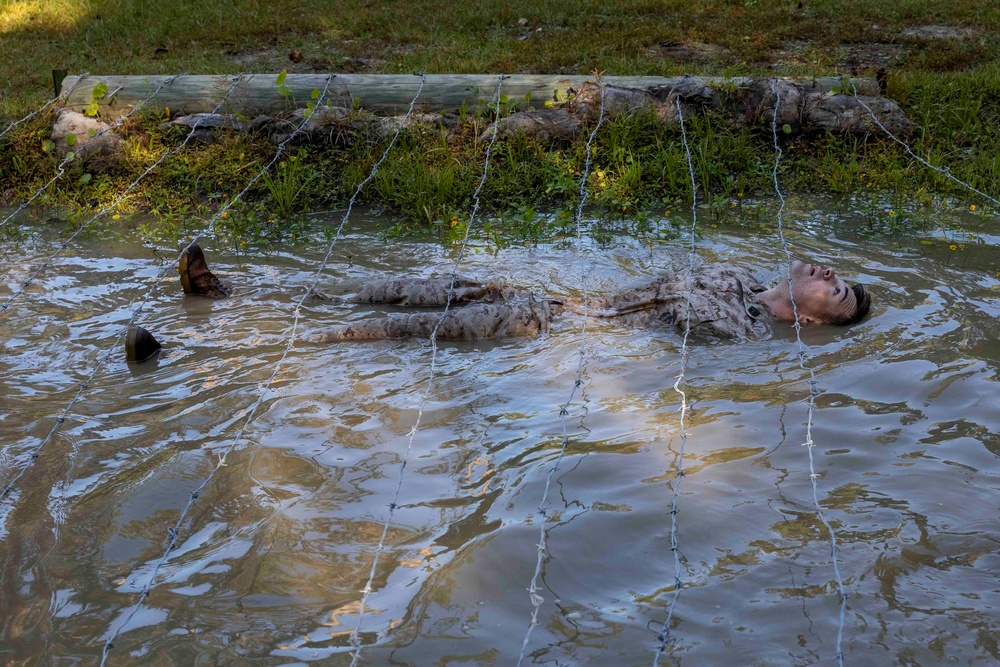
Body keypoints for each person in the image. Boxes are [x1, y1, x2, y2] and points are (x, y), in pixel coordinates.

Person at [171, 244, 871, 344]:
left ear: (813, 322)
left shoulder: (745, 333)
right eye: (838, 277)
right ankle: (231, 293)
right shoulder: (739, 274)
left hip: (551, 333)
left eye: (841, 299)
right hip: (551, 297)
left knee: (409, 329)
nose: (836, 282)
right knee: (396, 289)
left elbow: (650, 346)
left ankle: (212, 350)